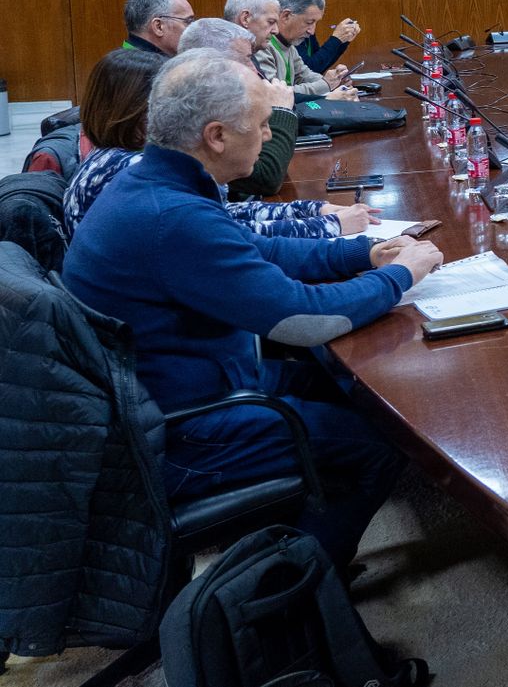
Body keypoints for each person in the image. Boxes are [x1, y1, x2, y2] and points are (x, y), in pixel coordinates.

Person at [63, 49, 442, 569]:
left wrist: (362, 252)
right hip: (181, 430)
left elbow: (261, 252)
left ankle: (298, 531)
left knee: (355, 391)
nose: (270, 137)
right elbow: (305, 320)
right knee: (379, 443)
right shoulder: (171, 217)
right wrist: (400, 276)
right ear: (216, 136)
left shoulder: (157, 182)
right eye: (263, 125)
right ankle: (295, 599)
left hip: (191, 383)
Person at [61, 48, 375, 240]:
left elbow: (223, 215)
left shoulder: (112, 158)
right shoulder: (133, 169)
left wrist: (312, 209)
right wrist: (328, 225)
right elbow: (229, 233)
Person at [179, 17, 302, 199]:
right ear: (212, 63)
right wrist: (281, 111)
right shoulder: (197, 109)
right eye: (246, 59)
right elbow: (266, 177)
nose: (254, 70)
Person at [256, 0, 358, 98]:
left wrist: (336, 80)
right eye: (309, 23)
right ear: (286, 16)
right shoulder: (262, 46)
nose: (312, 31)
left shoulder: (289, 44)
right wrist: (326, 84)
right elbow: (276, 94)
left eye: (315, 23)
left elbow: (305, 75)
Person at [291, 0, 360, 73]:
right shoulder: (294, 28)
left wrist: (343, 41)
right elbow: (310, 68)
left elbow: (319, 66)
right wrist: (336, 39)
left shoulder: (309, 26)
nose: (321, 2)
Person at [121, 0, 194, 57]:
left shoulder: (121, 60)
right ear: (158, 27)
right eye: (188, 21)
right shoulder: (151, 69)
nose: (194, 28)